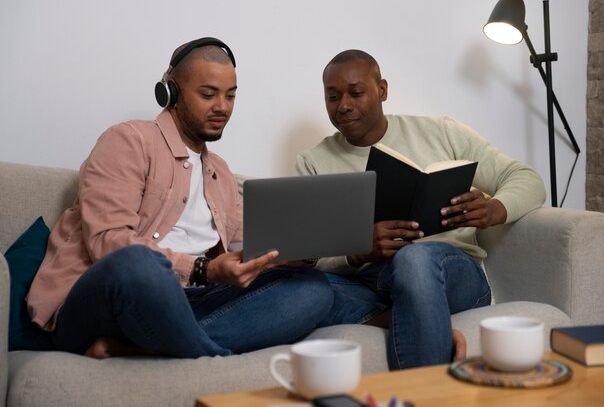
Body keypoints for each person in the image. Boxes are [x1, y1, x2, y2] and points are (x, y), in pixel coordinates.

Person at [26, 37, 333, 359]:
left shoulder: (221, 174)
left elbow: (252, 245)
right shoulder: (128, 140)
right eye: (208, 94)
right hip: (107, 298)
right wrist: (204, 269)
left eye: (230, 96)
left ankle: (143, 349)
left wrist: (303, 248)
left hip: (187, 304)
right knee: (139, 263)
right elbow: (107, 241)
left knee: (313, 288)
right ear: (170, 92)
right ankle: (208, 357)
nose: (222, 107)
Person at [296, 49, 546, 370]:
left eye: (356, 93)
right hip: (370, 284)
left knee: (413, 257)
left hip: (451, 273)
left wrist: (493, 209)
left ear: (382, 90)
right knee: (293, 291)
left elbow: (526, 178)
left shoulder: (441, 132)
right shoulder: (312, 162)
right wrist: (357, 251)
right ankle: (424, 323)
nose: (344, 105)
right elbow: (307, 256)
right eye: (333, 97)